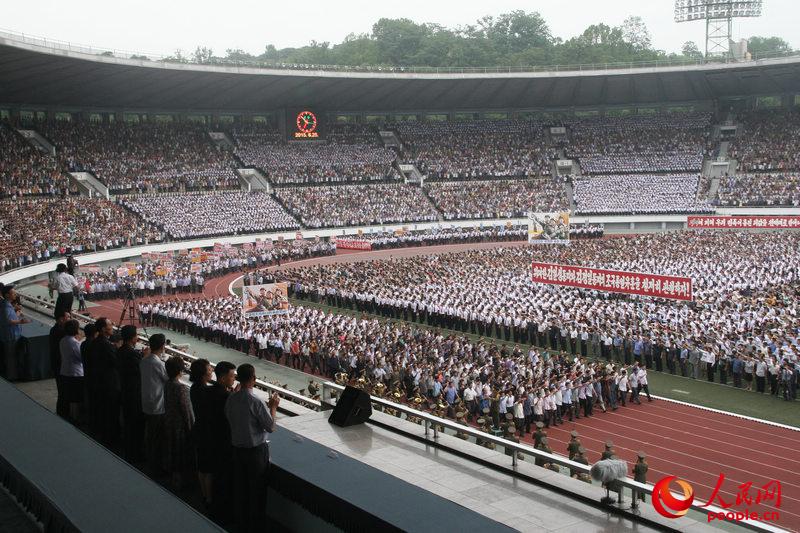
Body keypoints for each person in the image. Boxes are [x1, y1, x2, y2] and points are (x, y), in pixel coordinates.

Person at [225, 363, 279, 533]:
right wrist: (273, 408)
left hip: (237, 450)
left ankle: (241, 524)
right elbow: (270, 427)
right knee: (257, 491)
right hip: (255, 453)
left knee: (240, 489)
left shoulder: (231, 398)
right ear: (254, 379)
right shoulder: (256, 401)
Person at [164, 355, 194, 489]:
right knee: (180, 454)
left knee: (171, 450)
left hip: (169, 421)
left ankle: (172, 478)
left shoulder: (167, 383)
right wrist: (191, 429)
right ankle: (179, 482)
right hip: (180, 427)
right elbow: (187, 413)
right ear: (180, 371)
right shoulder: (182, 389)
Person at [118, 325, 147, 463]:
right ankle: (135, 455)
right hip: (134, 394)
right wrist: (144, 357)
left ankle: (129, 450)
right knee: (135, 425)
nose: (137, 337)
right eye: (136, 335)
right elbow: (141, 370)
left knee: (128, 422)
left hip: (124, 390)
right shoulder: (132, 354)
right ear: (132, 338)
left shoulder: (120, 350)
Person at [141, 333, 168, 475]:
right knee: (156, 437)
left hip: (146, 401)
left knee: (150, 433)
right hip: (157, 405)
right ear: (163, 346)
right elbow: (167, 379)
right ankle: (155, 467)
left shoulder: (144, 360)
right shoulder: (158, 363)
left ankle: (150, 462)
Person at [189, 358, 214, 508]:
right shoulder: (206, 391)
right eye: (209, 369)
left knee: (202, 466)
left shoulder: (195, 387)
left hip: (198, 429)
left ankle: (204, 495)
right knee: (208, 468)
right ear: (203, 373)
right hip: (207, 433)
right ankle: (209, 499)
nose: (211, 371)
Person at [0, 285, 30, 381]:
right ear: (7, 295)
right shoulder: (5, 307)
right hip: (10, 335)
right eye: (13, 293)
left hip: (11, 335)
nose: (15, 294)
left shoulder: (7, 305)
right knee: (11, 357)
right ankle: (11, 376)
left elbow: (10, 317)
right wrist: (21, 321)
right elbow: (8, 321)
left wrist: (17, 313)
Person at [58, 319, 84, 424]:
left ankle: (69, 416)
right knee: (76, 398)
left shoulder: (63, 340)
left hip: (65, 371)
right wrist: (80, 341)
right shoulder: (75, 343)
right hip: (75, 373)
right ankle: (75, 419)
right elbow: (81, 358)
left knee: (68, 396)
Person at [50, 310, 71, 419]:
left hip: (58, 364)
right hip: (60, 365)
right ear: (61, 319)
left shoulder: (55, 329)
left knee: (62, 390)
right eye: (68, 317)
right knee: (63, 390)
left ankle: (62, 412)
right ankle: (63, 413)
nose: (70, 319)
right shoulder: (61, 332)